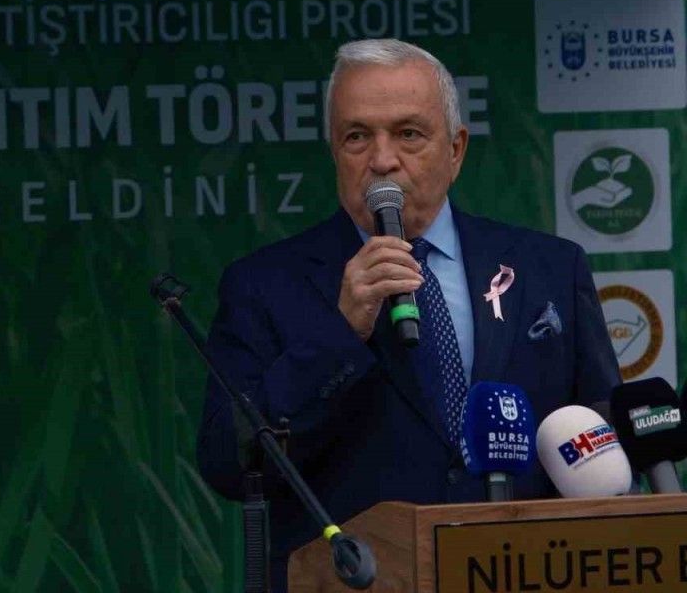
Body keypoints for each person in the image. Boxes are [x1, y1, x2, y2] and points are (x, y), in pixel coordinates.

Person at [195, 39, 619, 591]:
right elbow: (230, 464)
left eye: (408, 134)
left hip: (527, 573)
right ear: (334, 152)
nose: (382, 160)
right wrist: (339, 333)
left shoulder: (550, 269)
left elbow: (604, 439)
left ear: (456, 150)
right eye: (356, 136)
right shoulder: (264, 285)